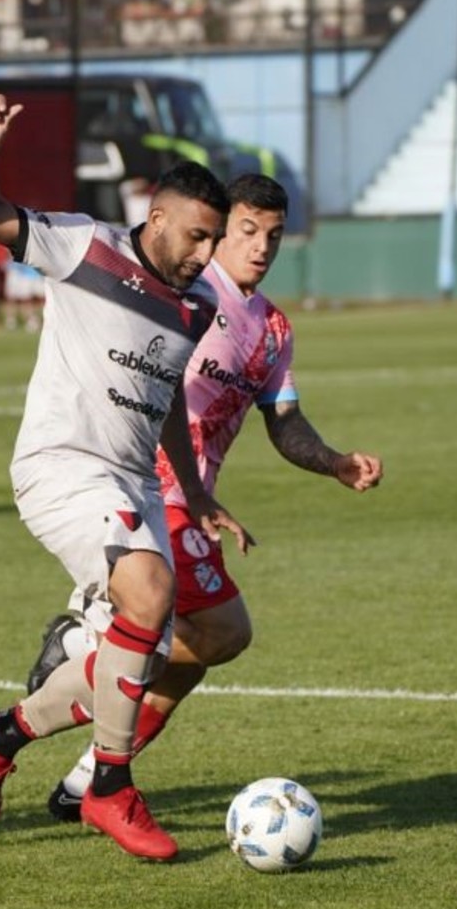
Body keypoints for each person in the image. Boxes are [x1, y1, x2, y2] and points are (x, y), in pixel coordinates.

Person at [26, 174, 384, 821]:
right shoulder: (184, 293)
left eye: (272, 236)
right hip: (142, 484)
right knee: (221, 630)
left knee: (194, 656)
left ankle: (84, 780)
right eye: (245, 231)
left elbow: (284, 422)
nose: (259, 247)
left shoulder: (272, 329)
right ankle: (88, 642)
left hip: (186, 498)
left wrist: (333, 462)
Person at [0, 93, 228, 861]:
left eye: (213, 240)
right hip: (60, 465)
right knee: (148, 597)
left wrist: (195, 487)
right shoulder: (83, 245)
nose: (205, 256)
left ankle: (0, 731)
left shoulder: (197, 302)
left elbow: (166, 392)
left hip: (133, 481)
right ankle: (109, 788)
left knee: (142, 648)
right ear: (157, 213)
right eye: (197, 236)